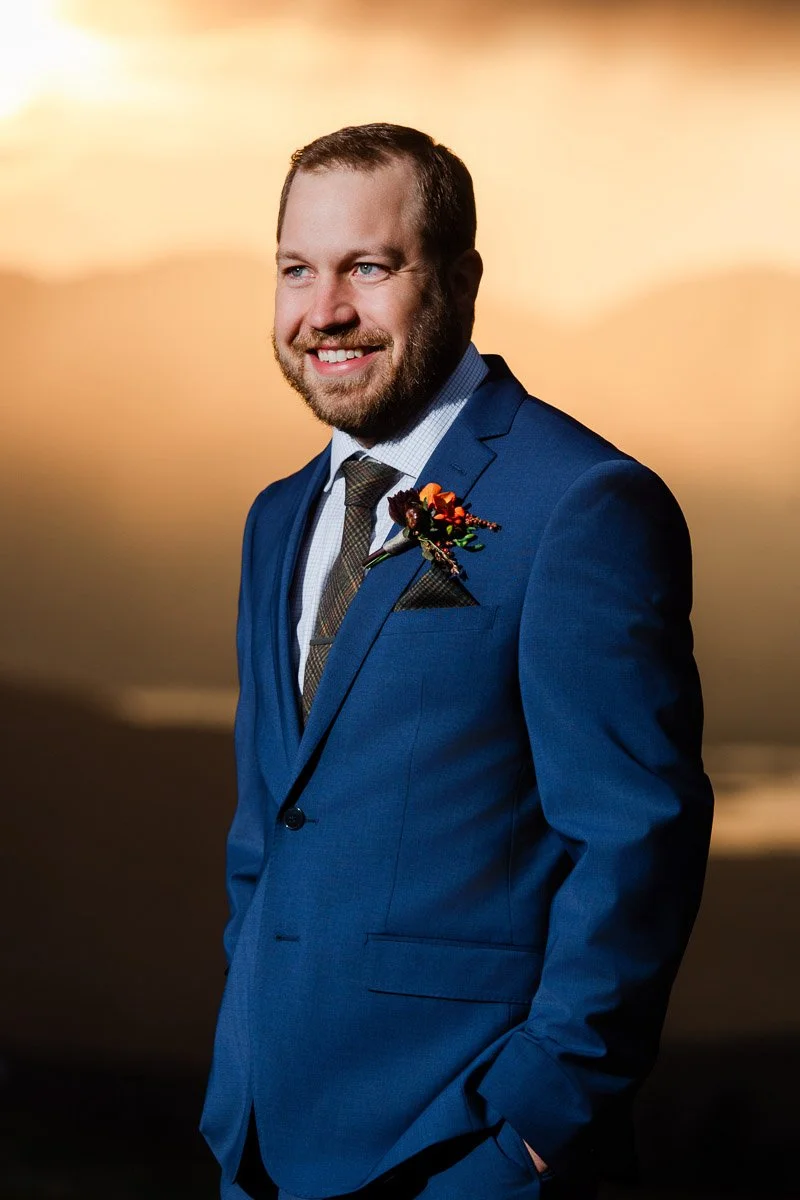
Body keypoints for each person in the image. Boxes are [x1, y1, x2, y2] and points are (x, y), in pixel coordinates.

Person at [200, 123, 714, 1200]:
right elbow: (269, 829)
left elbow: (636, 840)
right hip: (262, 1146)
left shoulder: (577, 504)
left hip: (464, 1147)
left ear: (462, 280)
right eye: (296, 269)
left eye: (367, 268)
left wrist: (532, 1126)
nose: (323, 310)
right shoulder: (276, 518)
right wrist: (237, 1075)